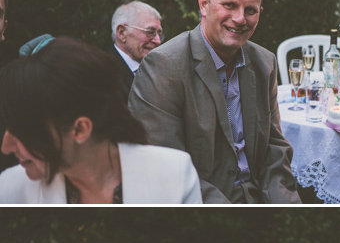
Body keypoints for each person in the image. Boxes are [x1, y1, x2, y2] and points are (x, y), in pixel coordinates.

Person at [128, 0, 300, 204]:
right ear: (204, 4)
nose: (240, 18)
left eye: (250, 10)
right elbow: (165, 169)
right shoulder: (164, 66)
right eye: (229, 5)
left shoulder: (265, 63)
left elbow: (274, 151)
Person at [0, 37, 201, 203]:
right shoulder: (10, 189)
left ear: (80, 129)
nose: (5, 146)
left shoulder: (174, 175)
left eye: (23, 132)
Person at [109, 0, 163, 98]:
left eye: (159, 34)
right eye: (150, 32)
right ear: (122, 33)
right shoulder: (104, 74)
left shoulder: (159, 71)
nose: (158, 41)